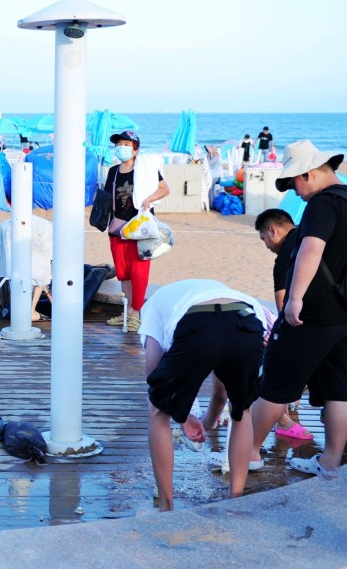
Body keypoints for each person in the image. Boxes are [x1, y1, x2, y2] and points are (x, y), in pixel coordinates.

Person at [251, 140, 347, 475]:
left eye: (293, 182)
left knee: (276, 384)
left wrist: (294, 299)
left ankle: (246, 454)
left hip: (314, 312)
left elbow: (311, 250)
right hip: (343, 312)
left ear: (309, 173)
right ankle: (331, 461)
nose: (295, 190)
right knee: (339, 389)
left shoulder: (323, 204)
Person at [140, 279, 266, 511]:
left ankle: (166, 506)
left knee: (157, 409)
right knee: (242, 410)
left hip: (198, 323)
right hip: (246, 321)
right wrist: (205, 421)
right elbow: (221, 390)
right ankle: (236, 499)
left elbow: (154, 377)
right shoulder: (216, 290)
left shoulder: (151, 308)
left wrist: (182, 416)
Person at [253, 208, 313, 441]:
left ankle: (258, 442)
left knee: (277, 377)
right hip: (335, 317)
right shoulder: (311, 236)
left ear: (273, 231)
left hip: (305, 324)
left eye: (263, 239)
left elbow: (282, 305)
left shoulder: (284, 257)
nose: (266, 246)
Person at [103, 131, 169, 332]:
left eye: (126, 144)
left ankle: (136, 313)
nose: (121, 147)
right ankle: (127, 312)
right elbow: (108, 197)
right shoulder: (113, 171)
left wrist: (149, 199)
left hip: (140, 229)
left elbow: (164, 189)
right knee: (123, 273)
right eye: (118, 144)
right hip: (117, 229)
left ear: (135, 149)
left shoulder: (145, 170)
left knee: (138, 272)